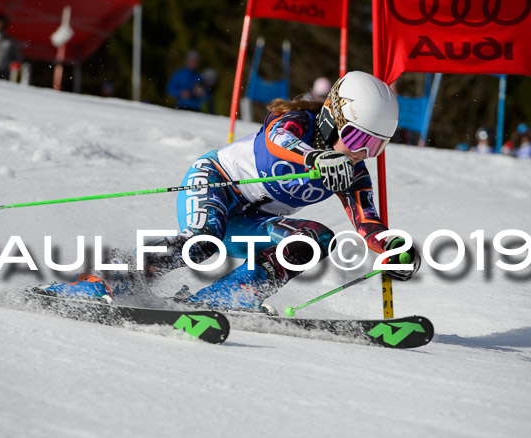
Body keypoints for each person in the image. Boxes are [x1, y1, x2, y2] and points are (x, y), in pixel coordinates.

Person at [36, 71, 421, 312]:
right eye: (355, 138)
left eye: (374, 147)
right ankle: (97, 282)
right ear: (333, 118)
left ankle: (223, 301)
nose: (360, 154)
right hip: (215, 182)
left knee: (314, 239)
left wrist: (394, 250)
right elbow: (276, 142)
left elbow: (369, 226)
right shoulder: (297, 122)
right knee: (203, 242)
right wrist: (317, 159)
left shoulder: (352, 171)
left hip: (254, 218)